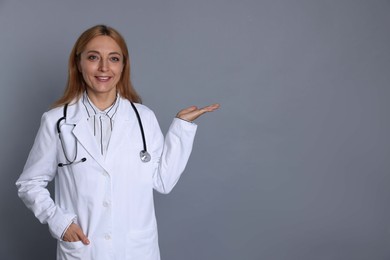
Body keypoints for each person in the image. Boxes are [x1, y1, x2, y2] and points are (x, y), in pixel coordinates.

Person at [16, 24, 219, 260]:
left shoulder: (144, 118)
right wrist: (59, 221)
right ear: (78, 64)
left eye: (114, 58)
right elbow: (29, 183)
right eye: (93, 57)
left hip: (135, 249)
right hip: (85, 248)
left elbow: (163, 181)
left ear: (123, 66)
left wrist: (181, 128)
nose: (104, 67)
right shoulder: (57, 121)